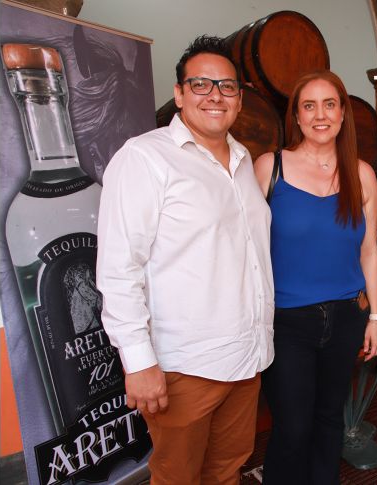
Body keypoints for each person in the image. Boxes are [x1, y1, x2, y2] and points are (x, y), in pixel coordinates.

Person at [96, 35, 273, 485]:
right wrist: (138, 362)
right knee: (177, 477)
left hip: (246, 358)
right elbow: (119, 270)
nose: (215, 95)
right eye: (201, 83)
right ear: (178, 94)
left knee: (226, 470)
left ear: (239, 98)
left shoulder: (242, 157)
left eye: (227, 86)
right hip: (184, 367)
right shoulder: (144, 158)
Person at [252, 70, 377, 485]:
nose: (320, 114)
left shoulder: (361, 174)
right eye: (309, 105)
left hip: (345, 318)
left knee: (329, 422)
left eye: (330, 104)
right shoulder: (269, 168)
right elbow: (248, 253)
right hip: (287, 321)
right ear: (297, 116)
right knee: (292, 428)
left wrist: (375, 317)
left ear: (343, 114)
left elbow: (369, 250)